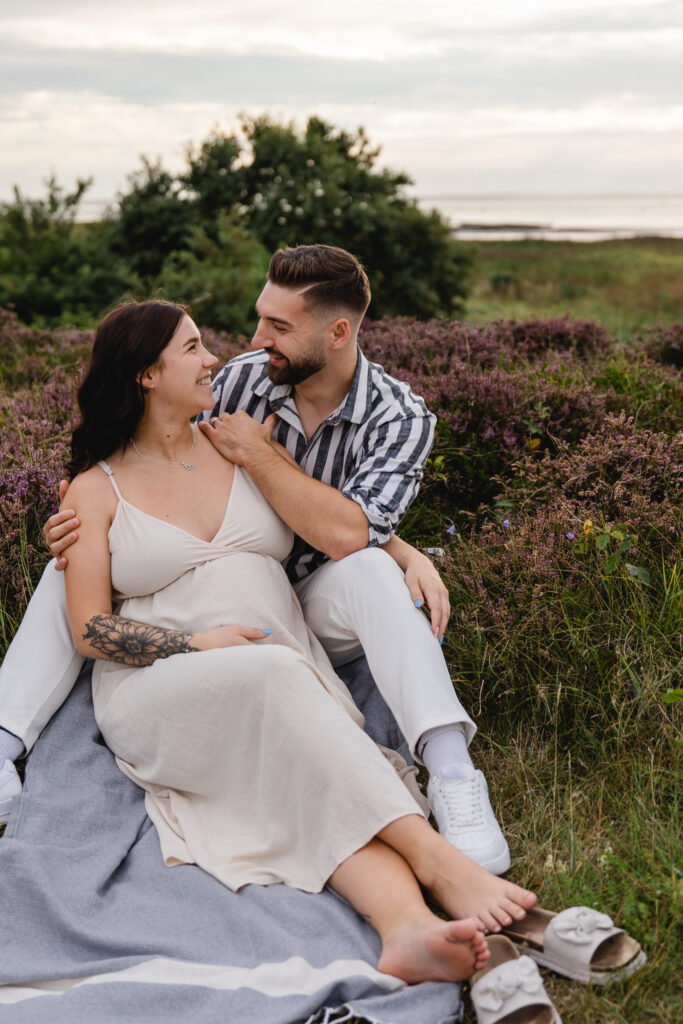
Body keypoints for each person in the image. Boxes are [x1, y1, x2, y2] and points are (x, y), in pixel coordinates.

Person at [52, 298, 538, 984]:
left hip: (277, 665)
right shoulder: (94, 490)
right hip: (161, 685)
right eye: (191, 348)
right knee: (279, 685)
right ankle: (438, 862)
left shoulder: (238, 443)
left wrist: (401, 550)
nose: (213, 358)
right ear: (146, 375)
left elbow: (320, 510)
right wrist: (193, 646)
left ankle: (407, 926)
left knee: (307, 775)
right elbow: (89, 628)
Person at [0, 245, 509, 875]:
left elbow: (351, 533)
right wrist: (86, 516)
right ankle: (5, 739)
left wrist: (398, 549)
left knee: (373, 569)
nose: (252, 340)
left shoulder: (398, 418)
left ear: (337, 332)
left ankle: (454, 774)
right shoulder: (241, 381)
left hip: (310, 595)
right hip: (194, 600)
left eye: (278, 325)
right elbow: (153, 447)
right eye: (260, 317)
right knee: (69, 563)